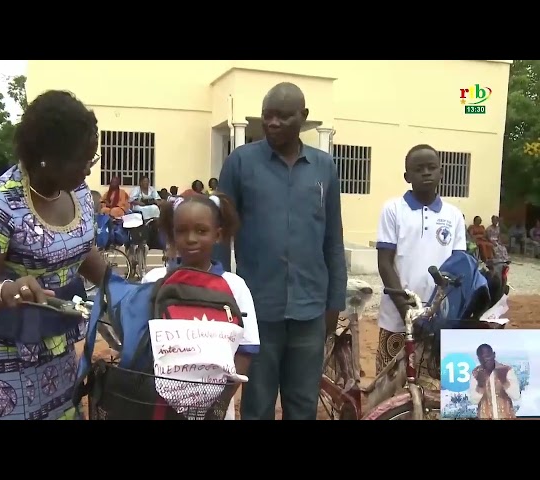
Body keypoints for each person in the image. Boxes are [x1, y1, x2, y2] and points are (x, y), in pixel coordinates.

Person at [0, 90, 108, 420]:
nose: (88, 172)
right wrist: (8, 290)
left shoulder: (77, 192)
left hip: (51, 340)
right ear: (48, 159)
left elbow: (83, 252)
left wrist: (126, 289)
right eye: (83, 161)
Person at [218, 82, 347, 420]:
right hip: (258, 309)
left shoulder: (324, 167)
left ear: (303, 117)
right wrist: (218, 295)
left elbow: (333, 239)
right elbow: (220, 236)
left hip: (310, 310)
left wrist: (335, 303)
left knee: (303, 403)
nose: (273, 123)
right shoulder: (240, 162)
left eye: (283, 117)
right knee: (257, 403)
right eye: (267, 116)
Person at [142, 192, 260, 420]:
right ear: (172, 234)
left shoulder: (234, 287)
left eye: (201, 231)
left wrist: (220, 404)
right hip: (160, 407)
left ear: (218, 235)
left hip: (214, 411)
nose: (191, 239)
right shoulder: (154, 281)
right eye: (182, 231)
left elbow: (246, 349)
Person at [376, 144, 466, 375]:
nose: (426, 172)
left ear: (441, 172)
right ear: (407, 176)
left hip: (439, 315)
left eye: (431, 167)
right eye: (418, 169)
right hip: (397, 317)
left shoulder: (453, 216)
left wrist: (442, 310)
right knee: (391, 386)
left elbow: (457, 267)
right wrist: (405, 310)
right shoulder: (393, 209)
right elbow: (385, 262)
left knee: (432, 388)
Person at [469, 344, 520, 419]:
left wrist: (504, 381)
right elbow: (473, 401)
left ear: (494, 355)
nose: (485, 361)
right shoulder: (476, 374)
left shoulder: (506, 370)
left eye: (487, 357)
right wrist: (480, 385)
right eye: (481, 358)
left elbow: (516, 396)